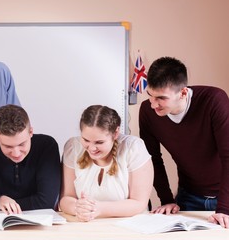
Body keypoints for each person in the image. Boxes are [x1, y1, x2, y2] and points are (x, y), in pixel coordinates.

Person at [139, 56, 229, 228]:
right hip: (189, 196)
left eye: (161, 98)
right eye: (150, 95)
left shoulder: (214, 100)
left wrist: (224, 208)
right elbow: (152, 158)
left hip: (226, 197)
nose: (153, 104)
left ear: (183, 92)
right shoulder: (147, 112)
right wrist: (166, 200)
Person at [59, 105, 153, 222]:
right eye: (86, 140)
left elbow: (139, 203)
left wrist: (99, 209)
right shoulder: (73, 147)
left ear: (116, 133)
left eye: (99, 142)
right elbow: (66, 198)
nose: (92, 148)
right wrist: (78, 208)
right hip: (85, 226)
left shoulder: (133, 148)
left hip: (130, 227)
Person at [0, 104, 61, 214]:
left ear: (31, 132)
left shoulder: (47, 146)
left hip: (39, 222)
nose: (16, 153)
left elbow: (46, 201)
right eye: (8, 146)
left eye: (22, 144)